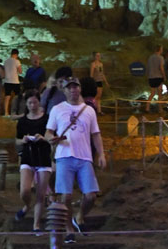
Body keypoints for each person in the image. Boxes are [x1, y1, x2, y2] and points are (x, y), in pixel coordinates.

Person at [46, 77, 105, 240]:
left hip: (84, 156)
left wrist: (101, 154)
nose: (73, 90)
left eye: (75, 87)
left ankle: (79, 217)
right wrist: (51, 138)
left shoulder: (89, 110)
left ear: (80, 89)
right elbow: (48, 132)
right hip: (64, 156)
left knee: (91, 195)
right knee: (66, 195)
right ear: (64, 91)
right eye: (69, 88)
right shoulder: (57, 109)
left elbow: (96, 134)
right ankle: (69, 229)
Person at [15, 91, 52, 232]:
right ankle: (27, 205)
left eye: (35, 102)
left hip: (43, 156)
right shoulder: (23, 121)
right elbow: (17, 140)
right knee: (24, 190)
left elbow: (51, 136)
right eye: (29, 103)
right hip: (28, 157)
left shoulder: (47, 119)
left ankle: (36, 225)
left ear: (39, 102)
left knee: (41, 194)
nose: (32, 105)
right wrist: (23, 140)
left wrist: (43, 138)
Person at [3, 48, 22, 116]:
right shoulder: (17, 61)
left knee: (7, 97)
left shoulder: (6, 61)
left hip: (7, 81)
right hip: (15, 81)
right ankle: (17, 111)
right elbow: (20, 71)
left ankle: (6, 112)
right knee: (18, 97)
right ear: (16, 54)